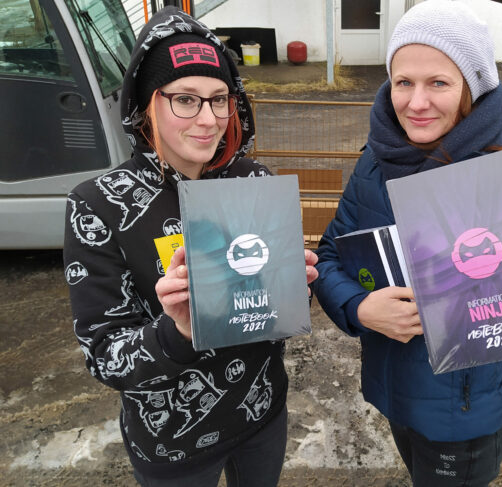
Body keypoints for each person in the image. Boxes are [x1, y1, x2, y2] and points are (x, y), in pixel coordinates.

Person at [312, 1, 502, 486]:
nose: (416, 102)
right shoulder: (375, 161)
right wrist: (359, 307)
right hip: (392, 394)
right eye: (403, 82)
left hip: (461, 420)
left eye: (438, 83)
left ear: (473, 90)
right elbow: (330, 255)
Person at [63, 7, 317, 486]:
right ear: (147, 104)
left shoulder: (253, 182)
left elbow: (273, 315)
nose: (208, 120)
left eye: (219, 100)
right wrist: (177, 330)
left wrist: (294, 288)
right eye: (185, 100)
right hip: (172, 442)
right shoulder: (99, 205)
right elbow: (104, 355)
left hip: (261, 414)